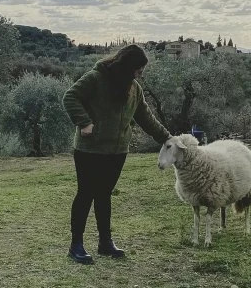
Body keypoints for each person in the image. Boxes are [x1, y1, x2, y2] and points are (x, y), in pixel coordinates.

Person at [62, 44, 171, 264]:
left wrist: (167, 138)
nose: (141, 74)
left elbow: (145, 117)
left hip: (117, 151)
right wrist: (84, 122)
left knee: (104, 195)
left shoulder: (134, 89)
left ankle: (105, 243)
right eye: (138, 69)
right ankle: (76, 245)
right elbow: (70, 97)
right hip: (89, 149)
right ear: (127, 66)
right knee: (85, 194)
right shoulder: (95, 78)